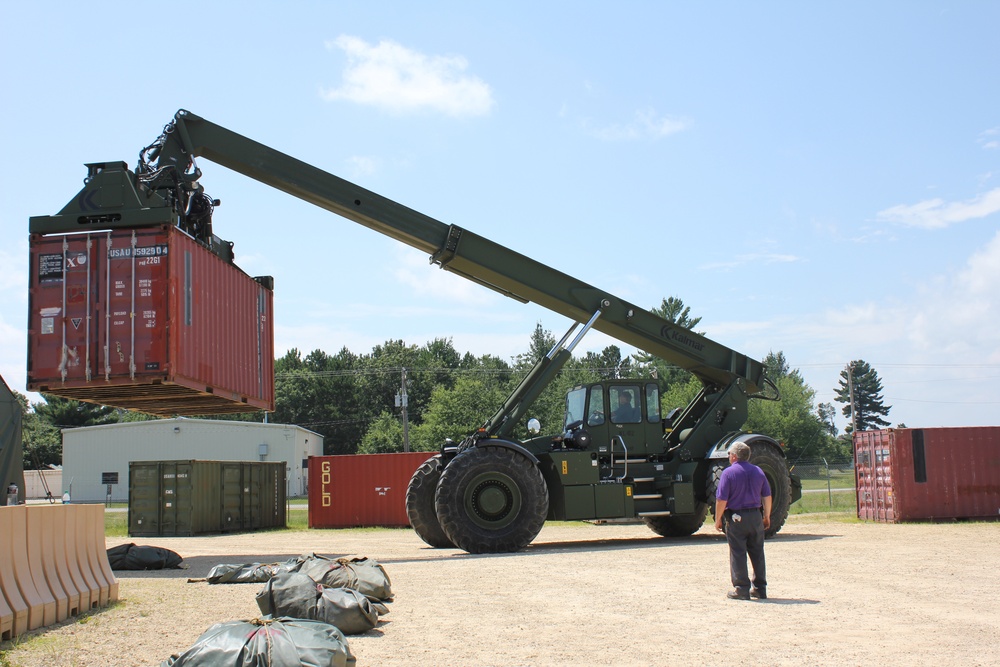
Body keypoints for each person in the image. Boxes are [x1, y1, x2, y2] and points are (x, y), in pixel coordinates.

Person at [714, 442, 772, 600]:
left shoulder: (728, 473)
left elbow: (721, 500)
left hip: (736, 517)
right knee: (758, 552)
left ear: (734, 456)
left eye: (729, 455)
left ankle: (741, 589)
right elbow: (767, 496)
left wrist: (718, 519)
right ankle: (760, 588)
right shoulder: (759, 471)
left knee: (738, 552)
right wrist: (767, 516)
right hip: (755, 516)